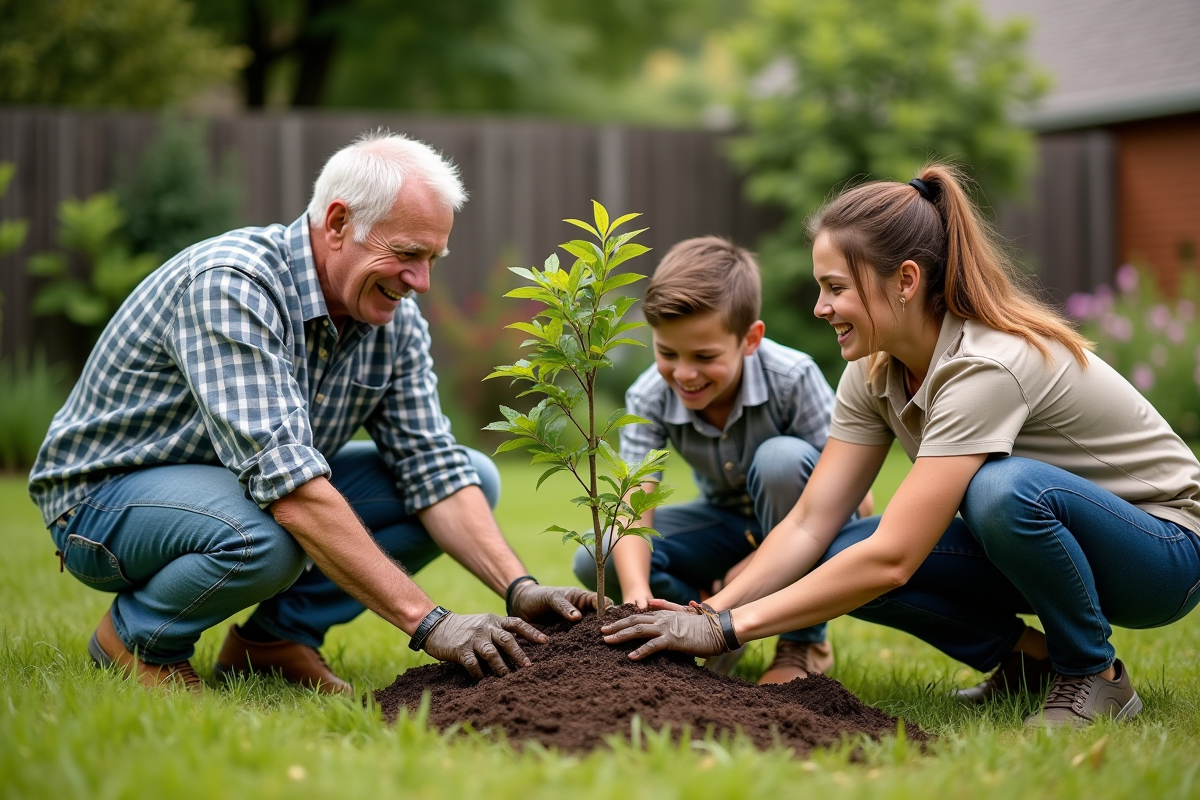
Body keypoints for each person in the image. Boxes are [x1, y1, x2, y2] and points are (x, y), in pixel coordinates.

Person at [601, 164, 1200, 728]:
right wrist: (709, 615)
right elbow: (810, 521)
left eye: (835, 287)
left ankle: (1093, 673)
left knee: (1000, 491)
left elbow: (896, 557)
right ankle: (1029, 662)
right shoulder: (872, 369)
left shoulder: (986, 364)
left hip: (1163, 550)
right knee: (837, 552)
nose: (819, 307)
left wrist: (731, 629)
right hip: (1049, 545)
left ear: (906, 281)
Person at [29, 130, 600, 695]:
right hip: (102, 504)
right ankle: (136, 640)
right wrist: (432, 623)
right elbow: (291, 491)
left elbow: (433, 467)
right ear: (337, 224)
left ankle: (275, 641)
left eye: (432, 259)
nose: (422, 281)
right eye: (406, 254)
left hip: (233, 492)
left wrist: (518, 587)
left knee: (473, 476)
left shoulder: (391, 324)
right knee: (265, 532)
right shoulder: (233, 285)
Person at [572, 236, 871, 684]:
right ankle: (694, 618)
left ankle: (803, 643)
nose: (685, 374)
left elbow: (858, 505)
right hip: (723, 525)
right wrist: (635, 597)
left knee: (780, 460)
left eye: (704, 357)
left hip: (809, 528)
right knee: (599, 553)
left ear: (750, 339)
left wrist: (754, 568)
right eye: (667, 354)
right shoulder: (650, 394)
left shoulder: (793, 378)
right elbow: (634, 503)